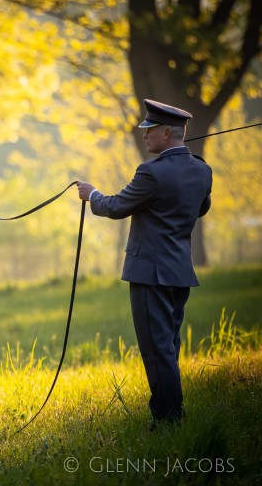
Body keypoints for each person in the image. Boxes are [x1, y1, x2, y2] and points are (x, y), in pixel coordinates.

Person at [77, 99, 212, 429]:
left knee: (156, 351)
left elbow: (116, 207)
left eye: (150, 130)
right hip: (180, 271)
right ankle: (168, 413)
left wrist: (91, 194)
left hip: (150, 272)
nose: (144, 136)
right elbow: (201, 208)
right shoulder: (202, 169)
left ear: (167, 133)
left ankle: (168, 421)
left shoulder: (150, 173)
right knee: (168, 347)